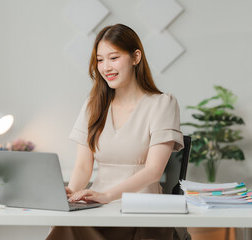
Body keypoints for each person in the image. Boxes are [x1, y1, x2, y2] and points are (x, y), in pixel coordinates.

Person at [46, 23, 191, 240]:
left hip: (141, 211)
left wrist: (106, 196)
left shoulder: (162, 104)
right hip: (97, 210)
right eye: (100, 60)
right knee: (63, 226)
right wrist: (71, 194)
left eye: (113, 58)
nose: (106, 67)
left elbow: (153, 170)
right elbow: (83, 166)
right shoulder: (93, 105)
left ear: (136, 57)